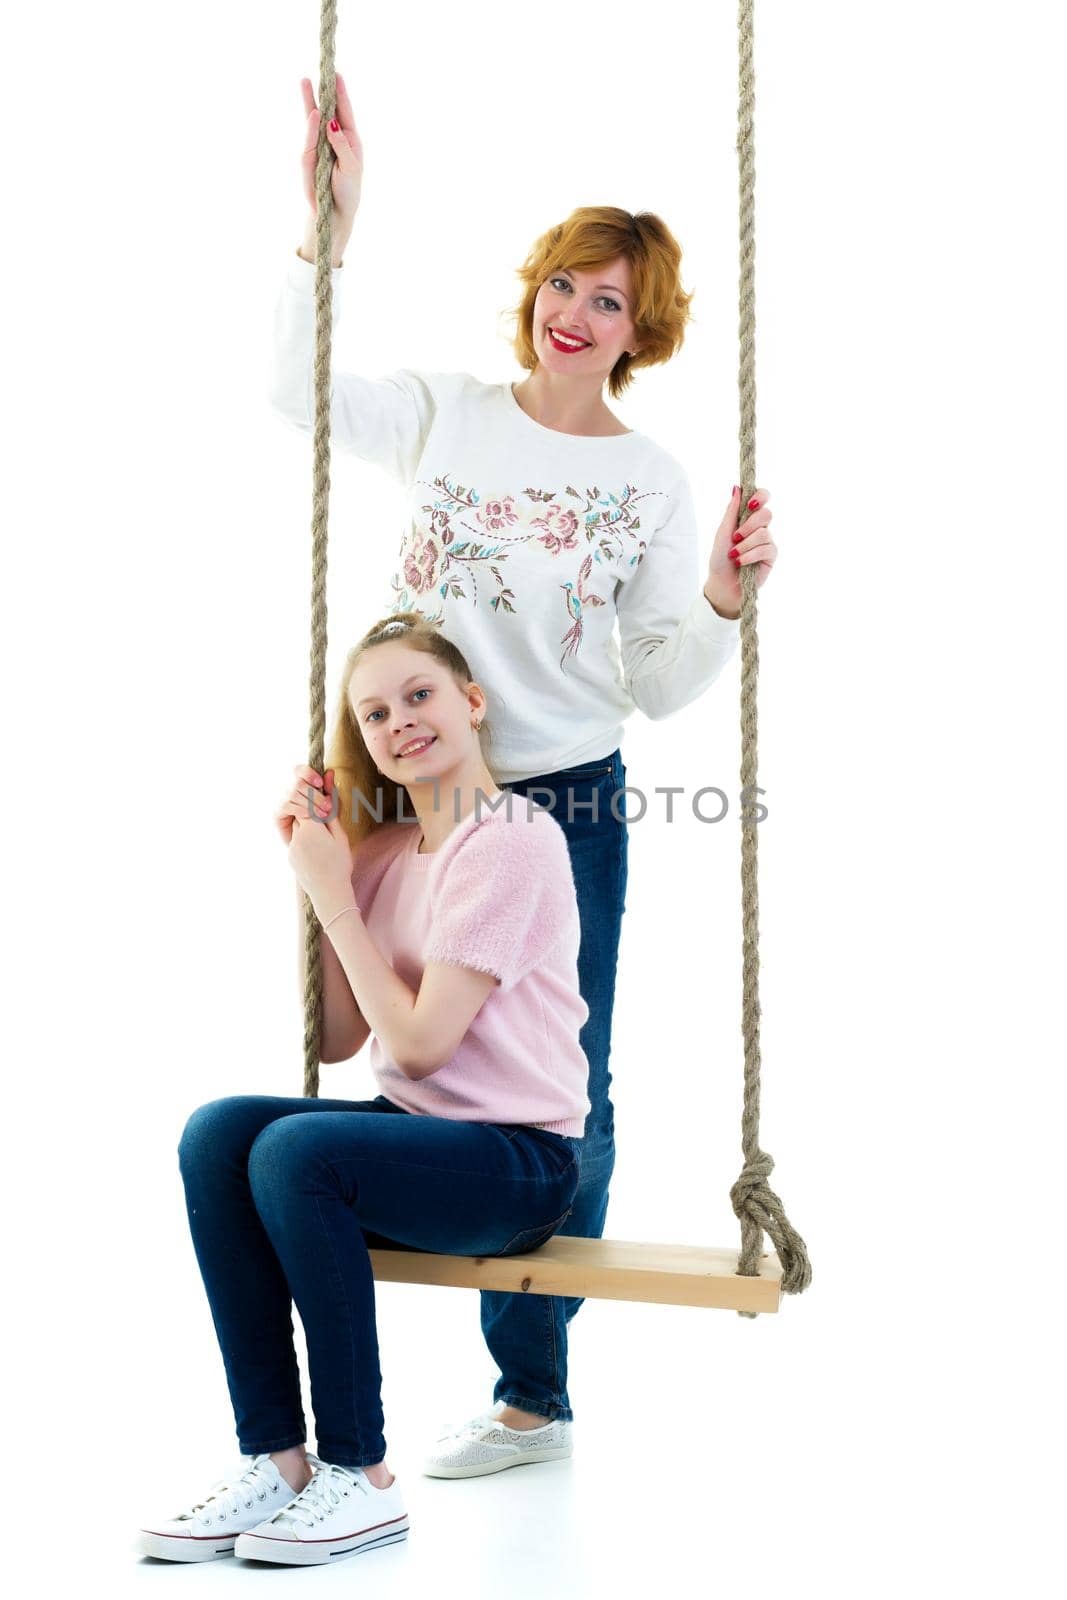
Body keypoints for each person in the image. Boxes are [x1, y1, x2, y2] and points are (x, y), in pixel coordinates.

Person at [267, 73, 779, 1468]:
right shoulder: (447, 412)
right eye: (566, 283)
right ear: (535, 293)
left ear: (641, 328)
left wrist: (726, 605)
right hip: (404, 779)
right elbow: (285, 393)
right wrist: (330, 235)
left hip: (557, 798)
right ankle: (332, 1302)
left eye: (609, 300)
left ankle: (531, 1394)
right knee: (371, 1044)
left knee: (565, 1085)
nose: (577, 313)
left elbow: (660, 683)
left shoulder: (649, 480)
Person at [137, 612, 592, 1564]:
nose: (399, 722)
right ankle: (278, 1459)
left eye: (419, 695)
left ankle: (361, 1476)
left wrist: (331, 893)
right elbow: (348, 1039)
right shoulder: (384, 854)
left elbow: (421, 1044)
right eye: (375, 712)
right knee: (217, 1132)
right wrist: (325, 873)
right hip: (415, 1139)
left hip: (519, 1162)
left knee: (300, 1148)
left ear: (471, 704)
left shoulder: (509, 838)